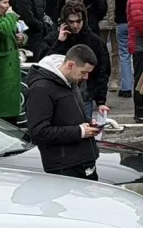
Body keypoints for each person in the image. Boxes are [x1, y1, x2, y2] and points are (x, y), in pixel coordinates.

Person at [23, 45, 100, 177]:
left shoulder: (70, 80)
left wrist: (88, 123)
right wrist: (80, 131)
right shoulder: (41, 89)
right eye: (83, 72)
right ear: (70, 65)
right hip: (65, 167)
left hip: (83, 160)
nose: (86, 77)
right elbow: (38, 131)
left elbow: (69, 115)